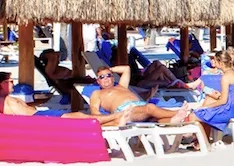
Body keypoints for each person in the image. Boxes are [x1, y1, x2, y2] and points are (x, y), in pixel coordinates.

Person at [89, 64, 190, 124]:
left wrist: (109, 69)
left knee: (155, 119)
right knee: (151, 108)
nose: (105, 78)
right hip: (125, 111)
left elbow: (126, 69)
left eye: (108, 75)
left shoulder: (121, 86)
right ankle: (180, 113)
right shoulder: (97, 93)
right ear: (98, 81)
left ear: (113, 77)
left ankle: (174, 119)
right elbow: (95, 112)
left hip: (140, 107)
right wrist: (112, 120)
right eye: (101, 77)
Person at [188, 48, 234, 134]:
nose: (213, 62)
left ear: (221, 63)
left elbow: (223, 101)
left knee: (194, 115)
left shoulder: (225, 77)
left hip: (229, 111)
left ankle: (197, 140)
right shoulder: (233, 74)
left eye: (215, 60)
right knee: (208, 101)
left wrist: (204, 107)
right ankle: (202, 140)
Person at [1, 92, 133, 125]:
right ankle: (116, 116)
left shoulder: (9, 98)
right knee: (79, 117)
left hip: (40, 114)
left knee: (78, 116)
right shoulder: (2, 100)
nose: (13, 82)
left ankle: (113, 122)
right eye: (9, 81)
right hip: (37, 119)